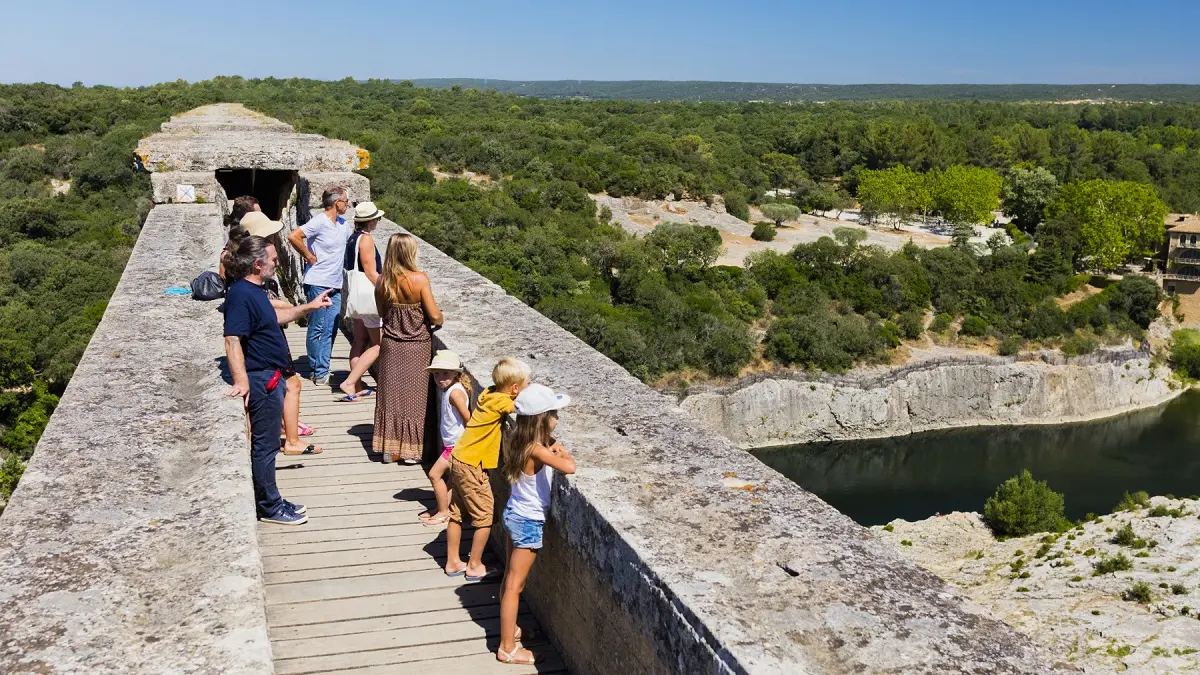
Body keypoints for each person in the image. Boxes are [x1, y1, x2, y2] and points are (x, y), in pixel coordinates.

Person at [223, 235, 332, 525]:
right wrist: (241, 381)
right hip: (261, 379)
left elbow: (275, 320)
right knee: (266, 446)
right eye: (273, 259)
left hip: (270, 376)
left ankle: (273, 499)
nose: (277, 262)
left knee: (268, 444)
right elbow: (232, 339)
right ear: (258, 264)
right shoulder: (241, 294)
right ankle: (269, 508)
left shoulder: (255, 290)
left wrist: (308, 307)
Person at [496, 383, 575, 665]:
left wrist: (550, 443)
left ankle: (511, 628)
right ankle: (507, 647)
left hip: (514, 512)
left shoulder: (520, 440)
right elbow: (570, 467)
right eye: (554, 413)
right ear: (542, 418)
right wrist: (561, 451)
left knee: (509, 579)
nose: (558, 418)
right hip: (528, 521)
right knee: (516, 586)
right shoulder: (538, 450)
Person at [443, 358, 532, 580]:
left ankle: (453, 562)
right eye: (527, 385)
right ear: (514, 389)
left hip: (459, 458)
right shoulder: (501, 401)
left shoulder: (490, 394)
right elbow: (526, 406)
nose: (528, 388)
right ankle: (474, 565)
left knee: (457, 511)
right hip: (472, 464)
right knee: (485, 515)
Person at [244, 211, 321, 455]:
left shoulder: (251, 264)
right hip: (265, 341)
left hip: (267, 338)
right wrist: (293, 306)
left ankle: (288, 433)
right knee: (292, 384)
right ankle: (291, 440)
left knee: (291, 384)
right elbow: (260, 305)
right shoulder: (252, 269)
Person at [372, 233, 443, 464]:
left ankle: (389, 450)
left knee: (390, 399)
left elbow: (383, 314)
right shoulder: (420, 279)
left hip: (391, 346)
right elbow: (434, 316)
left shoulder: (382, 281)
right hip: (417, 347)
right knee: (415, 400)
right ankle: (411, 452)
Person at [287, 186, 352, 385]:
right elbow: (294, 236)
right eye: (346, 201)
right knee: (318, 327)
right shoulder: (320, 221)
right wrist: (308, 256)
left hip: (335, 282)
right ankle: (319, 370)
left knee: (331, 327)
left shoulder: (343, 224)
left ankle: (321, 366)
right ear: (336, 203)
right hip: (317, 281)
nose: (348, 204)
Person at [337, 202, 385, 401]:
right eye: (377, 218)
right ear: (370, 221)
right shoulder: (366, 240)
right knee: (379, 344)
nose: (378, 221)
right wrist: (387, 290)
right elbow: (370, 271)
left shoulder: (352, 239)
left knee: (359, 341)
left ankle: (356, 384)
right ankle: (349, 382)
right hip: (367, 298)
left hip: (355, 297)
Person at [419, 350, 473, 527]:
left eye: (446, 373)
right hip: (450, 443)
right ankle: (442, 507)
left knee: (434, 475)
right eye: (436, 374)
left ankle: (443, 512)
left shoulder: (454, 393)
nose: (440, 378)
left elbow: (468, 419)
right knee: (449, 481)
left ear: (456, 373)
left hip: (456, 445)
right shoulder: (449, 388)